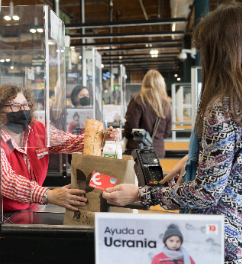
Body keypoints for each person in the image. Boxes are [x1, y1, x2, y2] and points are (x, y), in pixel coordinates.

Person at [103, 3, 242, 263]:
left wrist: (141, 194)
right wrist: (197, 156)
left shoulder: (219, 108)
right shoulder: (235, 103)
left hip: (215, 238)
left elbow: (207, 192)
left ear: (217, 52)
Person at [0, 84, 119, 212]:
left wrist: (101, 139)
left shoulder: (38, 129)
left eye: (25, 105)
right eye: (15, 106)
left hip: (33, 207)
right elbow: (6, 181)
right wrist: (49, 195)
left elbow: (68, 141)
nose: (23, 110)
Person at [123, 70, 172, 158]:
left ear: (144, 82)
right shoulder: (166, 104)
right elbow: (167, 132)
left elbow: (131, 127)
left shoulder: (137, 100)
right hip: (158, 151)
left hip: (137, 150)